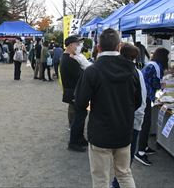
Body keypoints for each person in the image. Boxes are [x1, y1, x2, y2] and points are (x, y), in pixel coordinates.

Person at [74, 29, 142, 188]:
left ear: (98, 47)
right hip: (124, 130)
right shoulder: (131, 69)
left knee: (100, 179)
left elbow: (80, 102)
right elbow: (137, 101)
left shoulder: (92, 70)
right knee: (124, 174)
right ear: (119, 47)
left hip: (100, 132)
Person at [111, 43, 147, 188]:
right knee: (126, 155)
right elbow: (141, 100)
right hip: (131, 119)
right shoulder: (136, 72)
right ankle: (117, 182)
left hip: (115, 119)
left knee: (115, 155)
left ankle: (116, 182)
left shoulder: (112, 70)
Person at [135, 47, 170, 166]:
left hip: (142, 95)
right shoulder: (157, 66)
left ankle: (144, 147)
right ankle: (140, 152)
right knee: (145, 124)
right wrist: (163, 85)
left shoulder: (151, 63)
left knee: (145, 122)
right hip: (146, 96)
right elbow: (156, 83)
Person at [60, 35, 87, 152]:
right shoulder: (69, 59)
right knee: (78, 118)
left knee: (81, 116)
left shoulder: (69, 57)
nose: (78, 46)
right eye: (77, 44)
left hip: (74, 92)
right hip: (75, 93)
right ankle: (74, 142)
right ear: (71, 45)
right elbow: (81, 75)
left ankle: (80, 138)